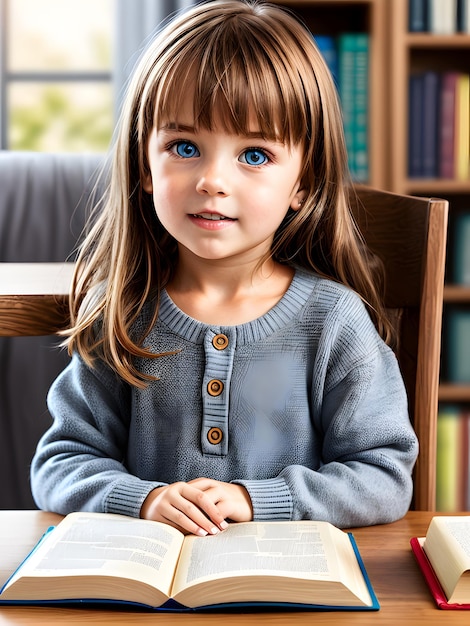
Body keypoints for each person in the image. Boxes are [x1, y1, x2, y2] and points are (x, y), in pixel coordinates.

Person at [31, 0, 418, 534]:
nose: (212, 180)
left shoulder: (335, 320)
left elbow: (384, 475)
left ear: (303, 183)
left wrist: (258, 499)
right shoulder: (121, 312)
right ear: (145, 165)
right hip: (148, 605)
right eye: (184, 146)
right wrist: (141, 500)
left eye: (254, 155)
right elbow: (60, 463)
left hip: (284, 598)